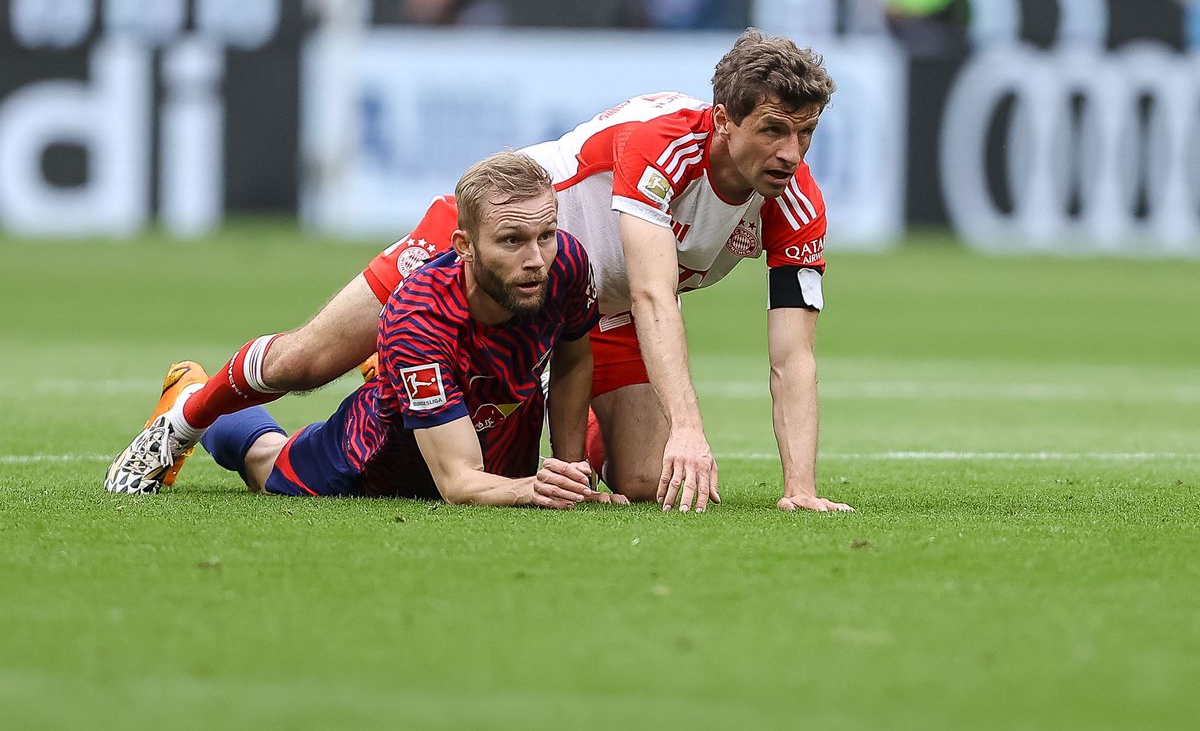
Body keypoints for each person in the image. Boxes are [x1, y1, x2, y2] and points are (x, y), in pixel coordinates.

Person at [106, 28, 852, 514]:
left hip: (593, 301)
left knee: (650, 482)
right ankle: (186, 416)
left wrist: (800, 488)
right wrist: (691, 425)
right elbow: (658, 292)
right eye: (774, 131)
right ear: (724, 120)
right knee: (308, 360)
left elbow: (793, 356)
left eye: (806, 134)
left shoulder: (795, 200)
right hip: (501, 246)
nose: (791, 154)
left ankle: (568, 441)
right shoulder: (665, 146)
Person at [106, 153, 626, 509]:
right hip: (375, 461)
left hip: (491, 415)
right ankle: (196, 397)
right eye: (512, 240)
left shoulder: (566, 264)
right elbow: (458, 483)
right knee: (265, 465)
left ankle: (403, 375)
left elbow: (575, 358)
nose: (536, 258)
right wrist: (538, 489)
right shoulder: (420, 316)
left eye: (546, 234)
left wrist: (569, 470)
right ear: (464, 245)